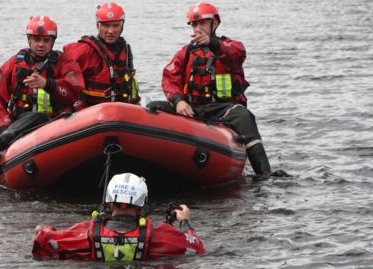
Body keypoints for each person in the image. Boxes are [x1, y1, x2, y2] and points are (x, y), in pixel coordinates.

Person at [159, 2, 285, 178]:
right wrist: (178, 101)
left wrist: (213, 44)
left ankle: (264, 173)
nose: (198, 28)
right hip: (192, 108)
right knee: (154, 107)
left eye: (202, 23)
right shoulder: (185, 53)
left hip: (223, 109)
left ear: (215, 23)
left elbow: (234, 58)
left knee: (243, 116)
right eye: (195, 24)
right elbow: (169, 77)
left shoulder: (232, 47)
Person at [0, 16, 84, 184]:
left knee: (37, 116)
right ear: (29, 40)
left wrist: (48, 84)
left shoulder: (65, 63)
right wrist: (5, 124)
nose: (41, 44)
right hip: (15, 126)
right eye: (37, 40)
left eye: (46, 40)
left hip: (51, 123)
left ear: (53, 41)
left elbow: (74, 92)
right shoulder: (15, 63)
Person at [33, 173, 205, 261]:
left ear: (109, 203)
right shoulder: (162, 236)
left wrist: (44, 229)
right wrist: (184, 222)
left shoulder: (84, 232)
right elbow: (197, 248)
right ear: (141, 205)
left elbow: (44, 243)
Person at [63, 2, 140, 109]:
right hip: (90, 111)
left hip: (121, 110)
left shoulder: (125, 49)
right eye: (106, 25)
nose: (110, 31)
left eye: (115, 25)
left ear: (122, 26)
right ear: (98, 26)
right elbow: (63, 79)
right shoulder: (84, 50)